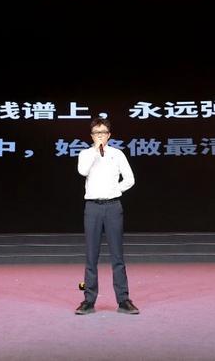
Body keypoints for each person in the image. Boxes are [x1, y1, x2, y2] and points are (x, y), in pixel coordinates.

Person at [74, 117, 139, 315]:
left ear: (109, 135)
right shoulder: (85, 154)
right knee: (91, 256)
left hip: (113, 206)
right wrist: (96, 151)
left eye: (103, 133)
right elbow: (82, 171)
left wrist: (115, 190)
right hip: (92, 207)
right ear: (91, 135)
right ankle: (88, 301)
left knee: (117, 256)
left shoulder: (117, 154)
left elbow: (130, 179)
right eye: (96, 133)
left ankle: (123, 300)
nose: (100, 136)